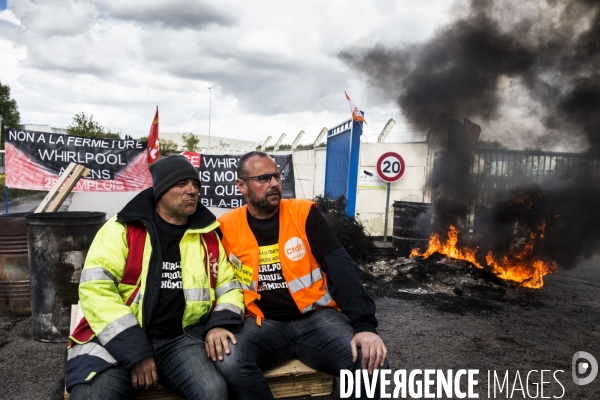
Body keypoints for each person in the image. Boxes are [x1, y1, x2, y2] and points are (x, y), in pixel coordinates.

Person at [66, 155, 244, 399]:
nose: (192, 190)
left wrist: (220, 323)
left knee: (213, 391)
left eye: (196, 185)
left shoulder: (208, 237)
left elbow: (229, 287)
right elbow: (96, 290)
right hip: (115, 341)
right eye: (181, 184)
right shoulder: (122, 229)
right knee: (93, 396)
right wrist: (136, 352)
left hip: (178, 339)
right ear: (160, 190)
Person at [216, 151, 388, 400]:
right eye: (263, 178)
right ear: (241, 186)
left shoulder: (304, 214)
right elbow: (219, 284)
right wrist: (217, 326)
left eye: (276, 176)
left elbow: (341, 267)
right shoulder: (226, 227)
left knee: (372, 363)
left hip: (317, 319)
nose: (274, 183)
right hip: (262, 324)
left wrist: (364, 326)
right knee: (228, 361)